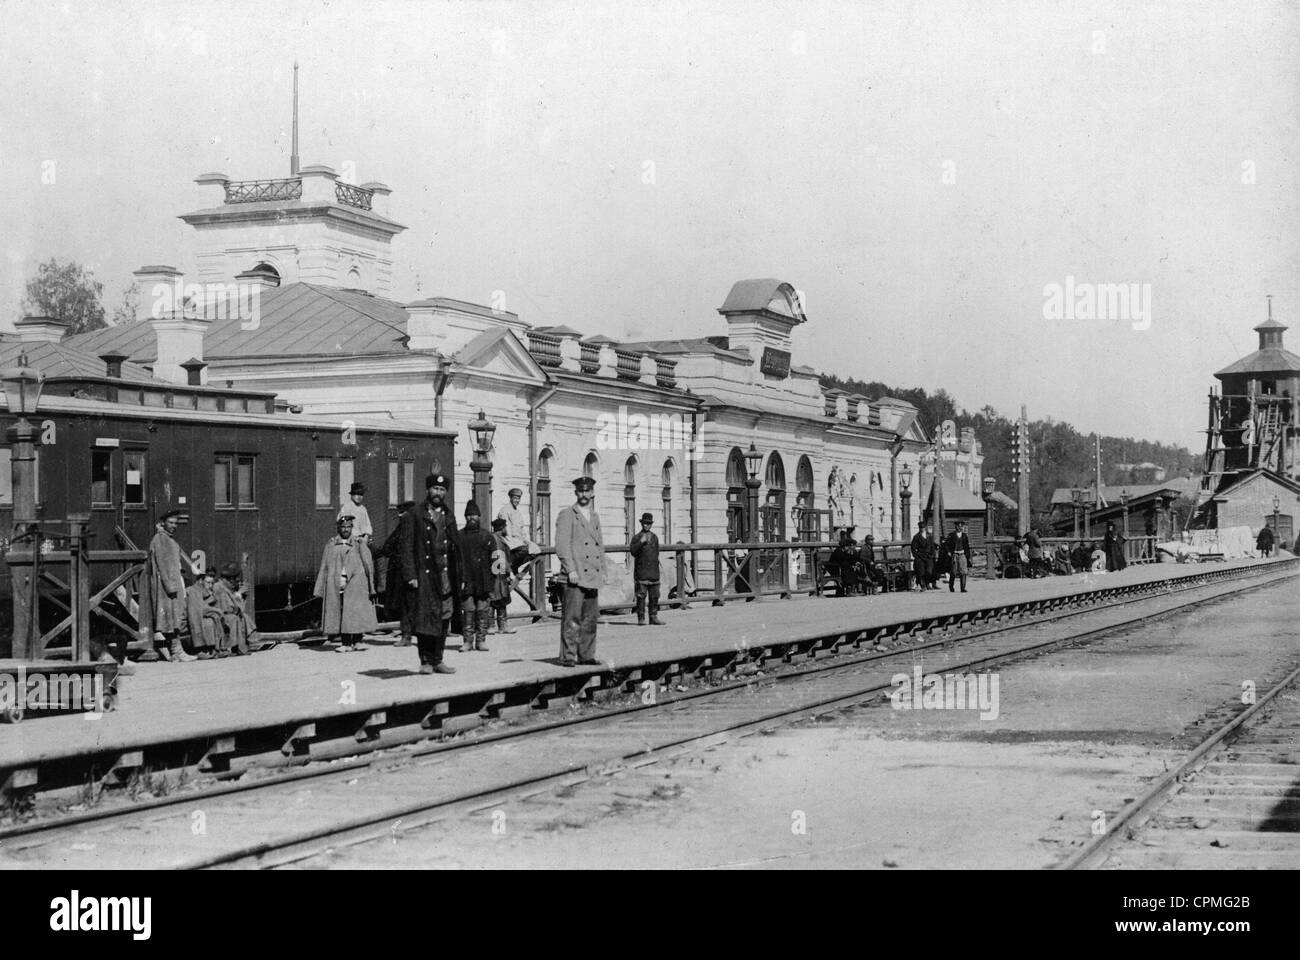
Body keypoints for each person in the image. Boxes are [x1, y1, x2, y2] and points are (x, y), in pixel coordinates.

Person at [399, 474, 462, 674]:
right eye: (435, 488)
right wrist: (410, 575)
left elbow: (456, 546)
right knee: (425, 618)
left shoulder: (448, 515)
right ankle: (425, 660)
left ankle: (438, 659)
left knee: (444, 616)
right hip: (425, 576)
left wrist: (460, 575)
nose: (438, 493)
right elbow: (406, 547)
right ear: (428, 490)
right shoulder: (414, 515)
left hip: (444, 575)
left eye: (442, 490)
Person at [554, 476, 604, 666]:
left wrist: (603, 570)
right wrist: (571, 570)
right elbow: (562, 545)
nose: (584, 494)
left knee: (590, 618)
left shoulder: (595, 516)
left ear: (592, 493)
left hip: (592, 574)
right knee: (572, 617)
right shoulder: (568, 514)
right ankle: (568, 656)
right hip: (575, 576)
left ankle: (587, 655)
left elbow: (600, 545)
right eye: (580, 491)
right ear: (576, 493)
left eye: (587, 491)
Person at [314, 514, 378, 653]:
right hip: (337, 582)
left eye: (348, 527)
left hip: (356, 582)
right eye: (343, 527)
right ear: (338, 528)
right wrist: (319, 588)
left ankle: (358, 640)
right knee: (341, 611)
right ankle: (346, 642)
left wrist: (371, 585)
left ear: (352, 528)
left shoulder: (358, 543)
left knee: (355, 610)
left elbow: (368, 564)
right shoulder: (331, 544)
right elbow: (324, 565)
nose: (345, 530)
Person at [147, 511, 196, 662]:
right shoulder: (161, 539)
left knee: (173, 618)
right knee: (170, 618)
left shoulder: (166, 539)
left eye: (176, 523)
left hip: (171, 584)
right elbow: (162, 564)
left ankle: (176, 651)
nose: (174, 526)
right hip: (167, 586)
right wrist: (171, 587)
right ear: (163, 523)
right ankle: (177, 651)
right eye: (171, 523)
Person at [458, 500, 496, 652]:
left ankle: (481, 640)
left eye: (474, 515)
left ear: (479, 516)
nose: (471, 518)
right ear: (465, 517)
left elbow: (497, 558)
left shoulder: (487, 536)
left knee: (482, 611)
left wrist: (497, 579)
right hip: (466, 580)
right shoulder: (459, 536)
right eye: (468, 515)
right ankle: (467, 641)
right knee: (468, 611)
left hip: (484, 580)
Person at [380, 500, 417, 646]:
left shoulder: (402, 529)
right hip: (406, 572)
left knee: (406, 604)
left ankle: (407, 635)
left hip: (403, 572)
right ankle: (408, 634)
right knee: (408, 603)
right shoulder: (410, 528)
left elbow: (387, 547)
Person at [213, 562, 259, 655]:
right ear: (230, 579)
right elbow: (229, 609)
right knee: (236, 617)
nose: (235, 584)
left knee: (244, 616)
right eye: (235, 581)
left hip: (226, 614)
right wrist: (239, 595)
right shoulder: (219, 588)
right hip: (221, 616)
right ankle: (239, 646)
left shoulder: (224, 587)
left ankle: (252, 641)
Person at [629, 511, 665, 625]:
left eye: (649, 523)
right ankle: (641, 618)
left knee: (654, 595)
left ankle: (653, 617)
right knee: (641, 596)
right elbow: (633, 551)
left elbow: (656, 553)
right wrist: (641, 542)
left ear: (651, 525)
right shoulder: (636, 537)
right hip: (642, 572)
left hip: (653, 572)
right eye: (645, 523)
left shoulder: (655, 537)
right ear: (641, 524)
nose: (646, 525)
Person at [184, 569, 225, 659]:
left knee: (213, 619)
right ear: (200, 581)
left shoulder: (206, 592)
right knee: (209, 622)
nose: (210, 585)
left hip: (201, 615)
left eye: (212, 583)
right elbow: (198, 609)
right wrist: (216, 610)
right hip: (191, 617)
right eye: (208, 582)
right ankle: (201, 649)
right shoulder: (193, 590)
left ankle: (216, 649)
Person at [488, 518, 516, 634]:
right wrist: (508, 573)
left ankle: (498, 626)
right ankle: (493, 626)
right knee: (496, 598)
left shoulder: (497, 539)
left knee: (499, 598)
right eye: (505, 527)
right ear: (502, 528)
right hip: (497, 574)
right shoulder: (496, 540)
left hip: (498, 574)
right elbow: (499, 558)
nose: (506, 529)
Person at [496, 487, 533, 574]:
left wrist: (525, 540)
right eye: (515, 498)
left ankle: (515, 565)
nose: (517, 500)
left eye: (519, 498)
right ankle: (510, 564)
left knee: (535, 550)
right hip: (508, 540)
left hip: (518, 540)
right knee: (524, 550)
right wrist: (515, 543)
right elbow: (506, 530)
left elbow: (521, 530)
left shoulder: (518, 512)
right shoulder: (505, 510)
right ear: (511, 498)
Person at [945, 519, 973, 593]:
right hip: (954, 554)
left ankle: (962, 588)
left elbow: (967, 546)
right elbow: (946, 545)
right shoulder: (951, 535)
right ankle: (951, 587)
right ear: (955, 527)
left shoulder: (964, 536)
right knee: (953, 571)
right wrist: (948, 552)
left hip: (962, 554)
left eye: (961, 526)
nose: (959, 528)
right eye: (958, 526)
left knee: (963, 571)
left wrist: (968, 556)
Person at [910, 520, 936, 591]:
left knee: (929, 571)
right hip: (920, 557)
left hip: (928, 556)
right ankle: (923, 585)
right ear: (919, 528)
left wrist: (933, 555)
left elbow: (932, 546)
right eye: (921, 528)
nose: (922, 529)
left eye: (923, 527)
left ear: (925, 528)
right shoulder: (916, 537)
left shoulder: (929, 536)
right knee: (921, 572)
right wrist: (916, 556)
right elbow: (913, 548)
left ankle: (927, 583)